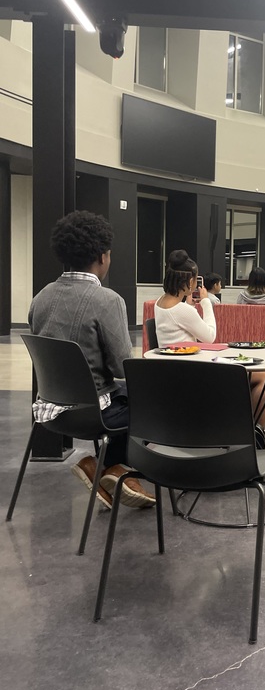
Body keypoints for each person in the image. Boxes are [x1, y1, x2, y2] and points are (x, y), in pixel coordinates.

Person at [28, 210, 155, 509]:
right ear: (102, 256)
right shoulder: (108, 300)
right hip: (93, 413)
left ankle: (103, 468)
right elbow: (122, 367)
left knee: (127, 396)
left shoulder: (40, 297)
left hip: (48, 409)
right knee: (153, 403)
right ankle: (116, 470)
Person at [154, 250, 217, 346]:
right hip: (184, 360)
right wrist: (206, 301)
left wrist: (189, 305)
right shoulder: (182, 310)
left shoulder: (159, 302)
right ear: (191, 282)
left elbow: (177, 327)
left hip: (168, 358)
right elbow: (210, 337)